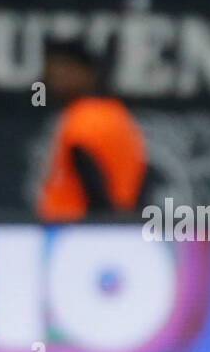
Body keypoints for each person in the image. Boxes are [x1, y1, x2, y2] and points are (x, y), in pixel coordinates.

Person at [35, 41, 146, 222]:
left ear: (86, 73)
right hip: (117, 225)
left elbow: (93, 185)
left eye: (64, 70)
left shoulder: (84, 119)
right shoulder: (117, 114)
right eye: (52, 72)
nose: (54, 79)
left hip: (78, 230)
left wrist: (99, 227)